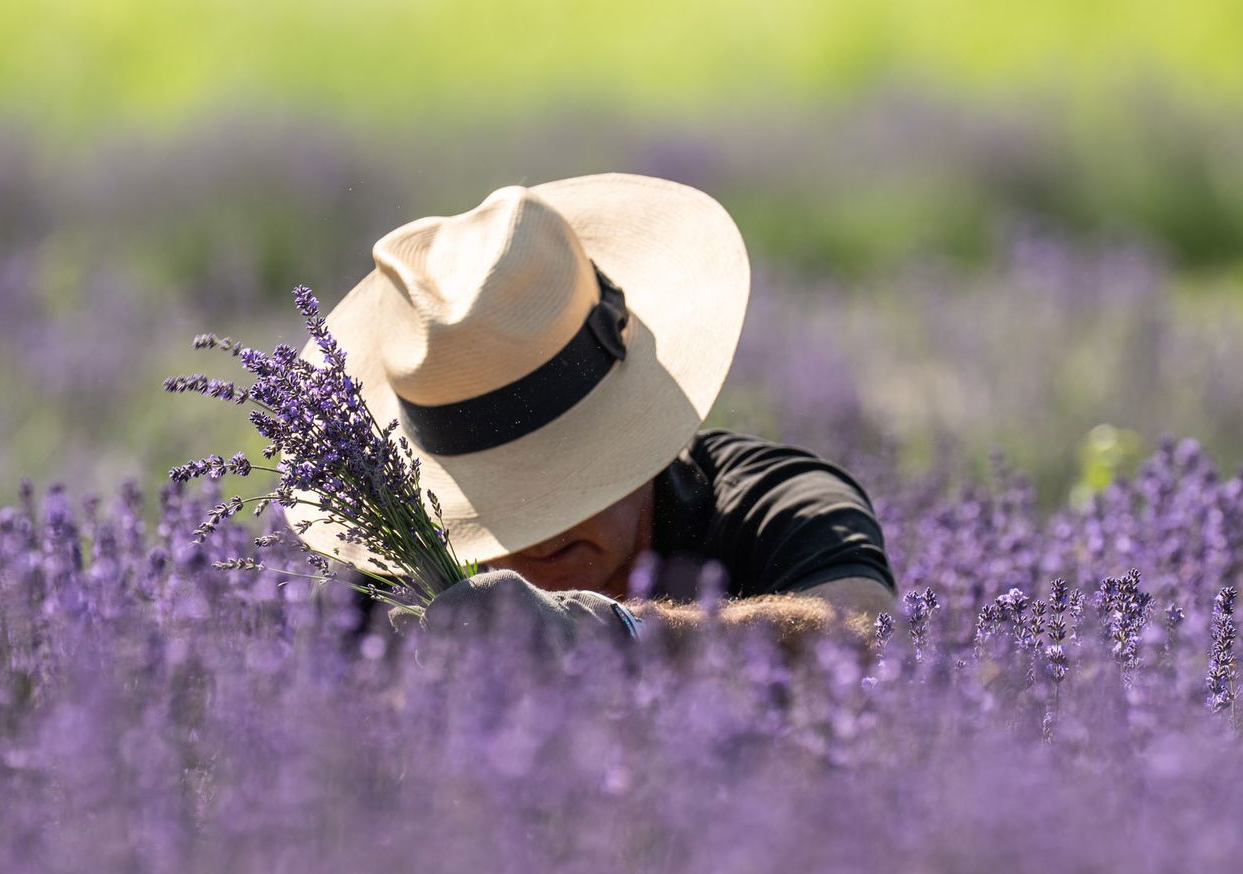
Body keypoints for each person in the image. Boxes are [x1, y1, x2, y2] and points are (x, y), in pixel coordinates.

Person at [285, 173, 896, 650]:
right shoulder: (382, 575)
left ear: (636, 430)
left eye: (568, 475)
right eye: (492, 496)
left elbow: (868, 639)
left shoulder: (768, 503)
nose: (541, 530)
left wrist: (619, 638)